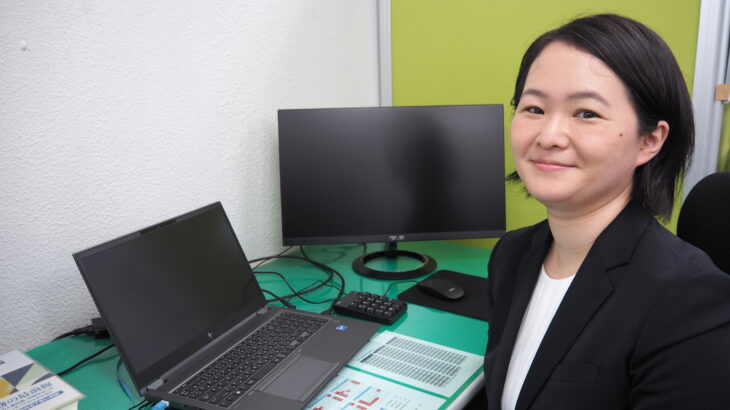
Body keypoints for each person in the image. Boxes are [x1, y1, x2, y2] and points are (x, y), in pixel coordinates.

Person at [483, 14, 730, 410]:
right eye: (534, 108)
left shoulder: (689, 301)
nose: (549, 136)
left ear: (649, 141)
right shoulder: (510, 256)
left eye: (586, 113)